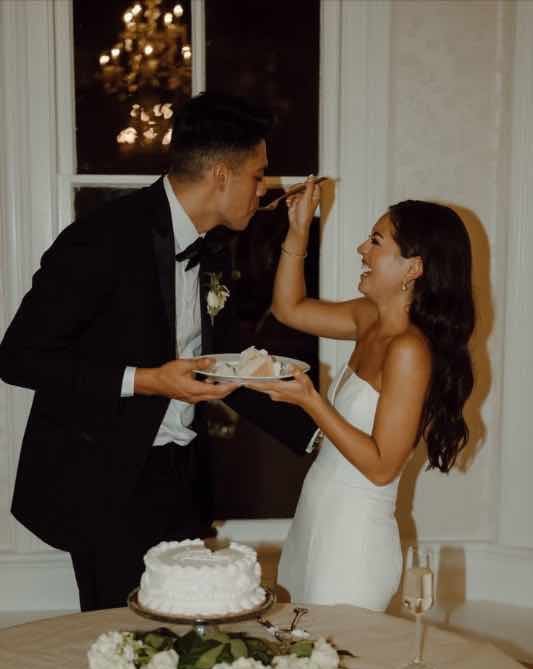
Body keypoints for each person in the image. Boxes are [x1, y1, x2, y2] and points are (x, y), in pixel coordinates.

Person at [0, 92, 316, 612]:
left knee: (189, 632)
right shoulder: (100, 240)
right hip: (105, 479)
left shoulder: (210, 244)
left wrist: (320, 430)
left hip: (180, 476)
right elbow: (18, 357)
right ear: (221, 175)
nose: (265, 188)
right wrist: (147, 380)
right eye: (258, 175)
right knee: (120, 642)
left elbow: (221, 358)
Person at [248, 178, 475, 610]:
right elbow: (288, 309)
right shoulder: (369, 317)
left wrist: (311, 401)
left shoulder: (409, 350)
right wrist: (299, 231)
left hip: (352, 541)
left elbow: (381, 467)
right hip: (316, 516)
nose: (362, 250)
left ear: (414, 268)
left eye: (376, 241)